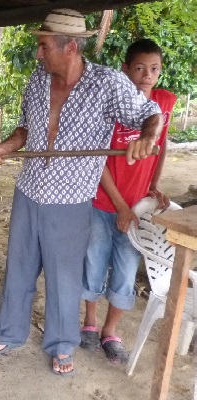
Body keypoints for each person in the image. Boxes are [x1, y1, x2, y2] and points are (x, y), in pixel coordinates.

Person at [0, 9, 163, 376]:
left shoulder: (107, 84)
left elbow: (151, 113)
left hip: (70, 201)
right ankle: (10, 331)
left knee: (64, 278)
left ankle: (62, 344)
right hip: (29, 191)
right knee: (18, 268)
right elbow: (25, 130)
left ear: (69, 47)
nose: (38, 53)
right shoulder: (37, 81)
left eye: (43, 46)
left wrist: (147, 136)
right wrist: (4, 147)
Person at [80, 39, 177, 363]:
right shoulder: (111, 104)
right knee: (94, 261)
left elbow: (159, 148)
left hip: (136, 209)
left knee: (124, 269)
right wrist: (120, 206)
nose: (147, 75)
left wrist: (154, 185)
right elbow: (100, 162)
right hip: (102, 203)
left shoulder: (163, 103)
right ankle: (90, 324)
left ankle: (111, 332)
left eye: (154, 69)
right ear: (125, 70)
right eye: (139, 68)